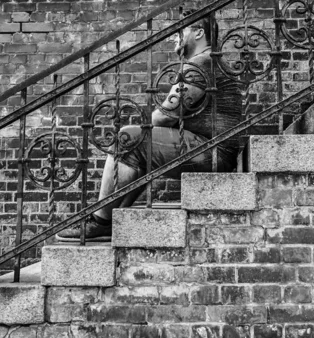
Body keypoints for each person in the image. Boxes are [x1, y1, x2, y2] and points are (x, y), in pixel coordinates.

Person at [57, 9, 244, 241]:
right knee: (139, 149)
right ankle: (109, 219)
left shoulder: (200, 64)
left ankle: (100, 221)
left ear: (198, 32)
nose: (175, 36)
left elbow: (166, 115)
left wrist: (148, 122)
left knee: (127, 138)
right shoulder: (210, 62)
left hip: (211, 152)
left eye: (181, 30)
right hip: (214, 149)